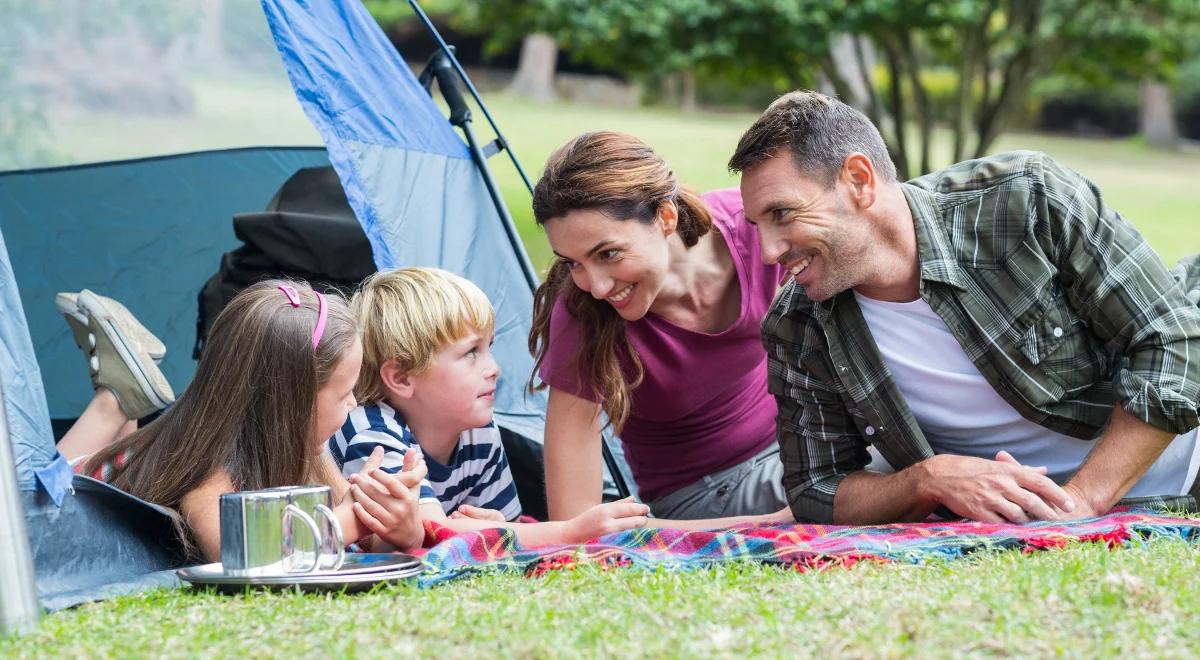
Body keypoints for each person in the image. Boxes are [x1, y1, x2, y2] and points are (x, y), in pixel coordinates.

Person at [727, 90, 1200, 525]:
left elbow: (1172, 339)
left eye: (783, 214)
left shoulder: (1026, 200)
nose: (768, 253)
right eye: (757, 225)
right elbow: (816, 488)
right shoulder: (799, 324)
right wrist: (926, 478)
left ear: (858, 180)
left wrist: (1081, 502)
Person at [528, 131, 793, 523]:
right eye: (573, 263)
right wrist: (778, 521)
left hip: (798, 444)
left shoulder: (753, 228)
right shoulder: (582, 314)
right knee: (876, 483)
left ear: (665, 218)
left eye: (609, 253)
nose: (597, 286)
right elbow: (575, 520)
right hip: (705, 495)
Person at [59, 281, 428, 560]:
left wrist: (396, 523)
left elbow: (364, 536)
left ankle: (122, 394)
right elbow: (237, 550)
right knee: (36, 494)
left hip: (131, 461)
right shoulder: (207, 466)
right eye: (344, 393)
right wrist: (347, 522)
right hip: (69, 507)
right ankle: (114, 399)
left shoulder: (307, 447)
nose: (354, 403)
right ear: (290, 403)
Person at [329, 267, 653, 545]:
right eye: (471, 353)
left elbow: (496, 527)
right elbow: (430, 529)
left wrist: (490, 522)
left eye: (489, 348)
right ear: (401, 378)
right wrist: (569, 532)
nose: (494, 368)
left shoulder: (477, 431)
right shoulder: (370, 433)